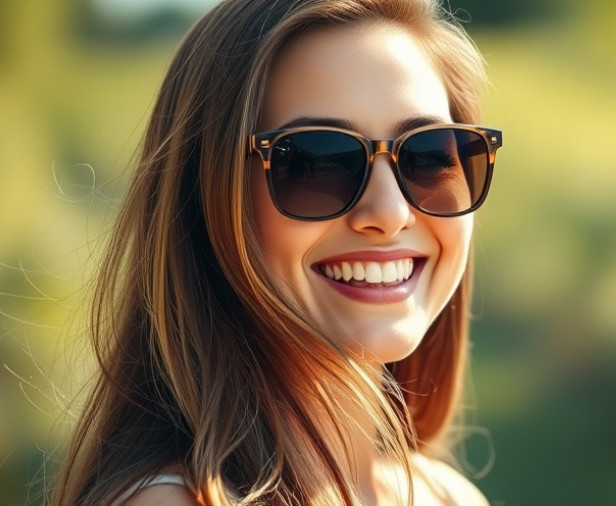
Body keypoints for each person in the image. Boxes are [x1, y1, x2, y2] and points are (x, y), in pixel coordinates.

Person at [50, 0, 502, 504]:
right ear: (208, 198)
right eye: (315, 162)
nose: (390, 211)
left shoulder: (447, 496)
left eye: (430, 156)